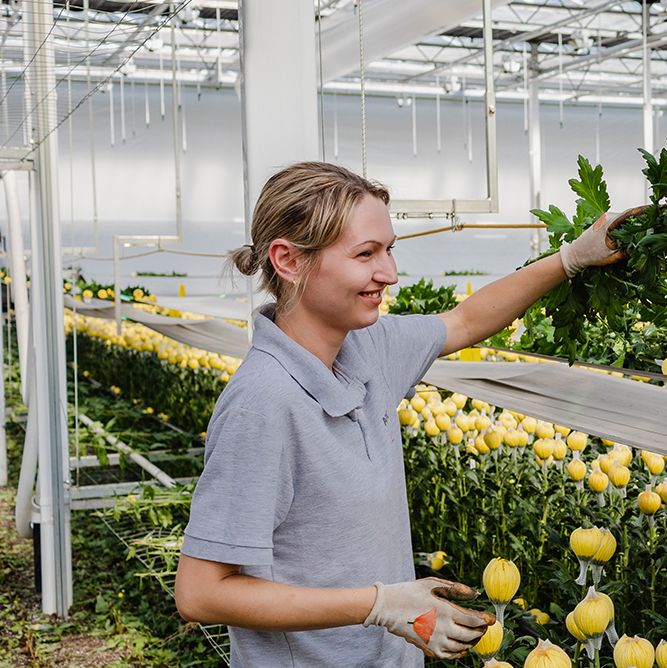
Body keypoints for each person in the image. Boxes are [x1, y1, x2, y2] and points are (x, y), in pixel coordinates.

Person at [172, 162, 624, 666]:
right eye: (365, 254)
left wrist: (571, 258)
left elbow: (465, 320)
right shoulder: (263, 404)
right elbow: (200, 593)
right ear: (289, 260)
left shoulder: (367, 346)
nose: (387, 273)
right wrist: (381, 605)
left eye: (389, 249)